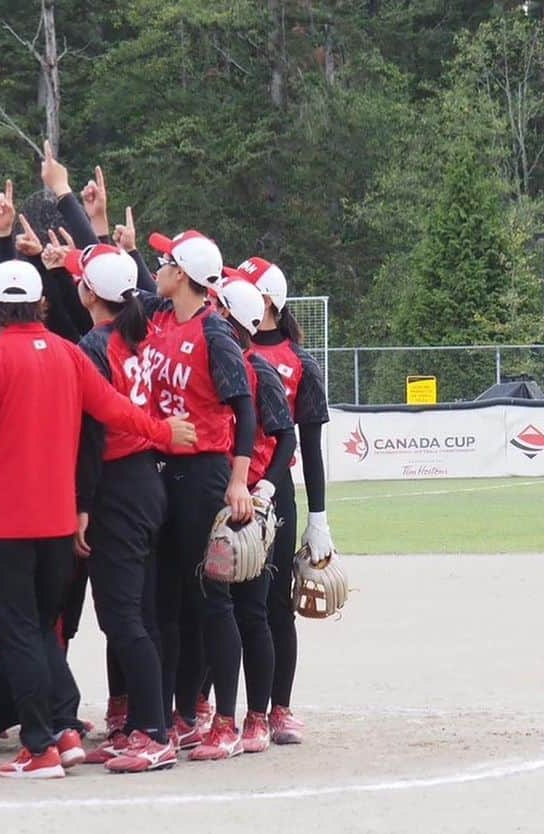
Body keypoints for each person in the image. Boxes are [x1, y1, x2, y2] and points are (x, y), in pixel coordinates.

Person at [0, 259, 196, 780]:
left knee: (20, 635)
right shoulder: (70, 354)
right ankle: (64, 730)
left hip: (6, 525)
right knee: (40, 635)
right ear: (42, 304)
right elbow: (116, 411)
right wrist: (165, 433)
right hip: (56, 524)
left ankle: (40, 745)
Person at [139, 229, 256, 762]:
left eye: (164, 261)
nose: (156, 268)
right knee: (167, 600)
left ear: (182, 274)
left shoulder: (215, 333)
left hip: (205, 473)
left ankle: (224, 722)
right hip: (163, 469)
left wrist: (238, 480)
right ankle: (178, 716)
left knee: (211, 599)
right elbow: (118, 285)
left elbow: (244, 410)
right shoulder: (160, 318)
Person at [66, 242, 175, 775]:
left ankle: (153, 732)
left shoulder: (92, 344)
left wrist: (82, 504)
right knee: (141, 614)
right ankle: (144, 725)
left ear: (88, 292)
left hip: (117, 486)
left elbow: (90, 433)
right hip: (149, 480)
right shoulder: (143, 331)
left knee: (123, 616)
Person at [237, 255, 331, 745]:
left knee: (276, 606)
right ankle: (223, 710)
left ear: (268, 301)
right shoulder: (228, 345)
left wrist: (319, 519)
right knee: (230, 605)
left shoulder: (301, 363)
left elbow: (309, 450)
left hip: (276, 494)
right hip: (230, 488)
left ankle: (280, 707)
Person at [207, 271, 296, 754]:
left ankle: (257, 717)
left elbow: (287, 439)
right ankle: (218, 714)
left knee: (253, 611)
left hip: (252, 507)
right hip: (216, 502)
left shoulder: (259, 370)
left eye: (217, 307)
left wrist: (262, 489)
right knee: (215, 609)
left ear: (228, 317)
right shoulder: (212, 366)